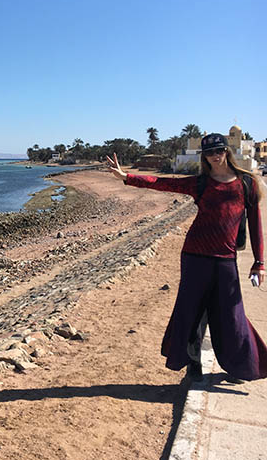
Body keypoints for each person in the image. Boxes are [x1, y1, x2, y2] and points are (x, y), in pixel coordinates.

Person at [106, 133, 266, 382]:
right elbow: (162, 182)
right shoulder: (200, 183)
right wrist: (126, 177)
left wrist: (260, 262)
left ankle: (239, 366)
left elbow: (256, 226)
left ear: (227, 151)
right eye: (210, 153)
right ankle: (194, 364)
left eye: (219, 150)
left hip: (225, 259)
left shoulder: (247, 184)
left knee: (230, 314)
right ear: (205, 157)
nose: (216, 156)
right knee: (191, 311)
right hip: (194, 256)